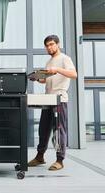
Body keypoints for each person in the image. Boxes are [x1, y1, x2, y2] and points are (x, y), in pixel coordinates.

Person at [28, 35, 77, 171]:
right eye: (47, 46)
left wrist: (57, 70)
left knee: (59, 130)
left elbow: (74, 74)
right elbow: (47, 80)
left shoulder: (65, 59)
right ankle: (40, 157)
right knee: (43, 129)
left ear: (57, 44)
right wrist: (37, 79)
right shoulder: (49, 62)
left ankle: (60, 160)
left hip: (59, 99)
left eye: (51, 44)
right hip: (47, 99)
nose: (49, 47)